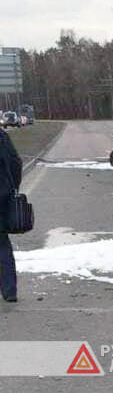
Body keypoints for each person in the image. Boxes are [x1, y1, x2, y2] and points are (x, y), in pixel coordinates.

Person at [0, 128, 22, 302]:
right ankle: (9, 290)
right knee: (2, 245)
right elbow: (15, 162)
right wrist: (13, 187)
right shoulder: (2, 136)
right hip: (2, 195)